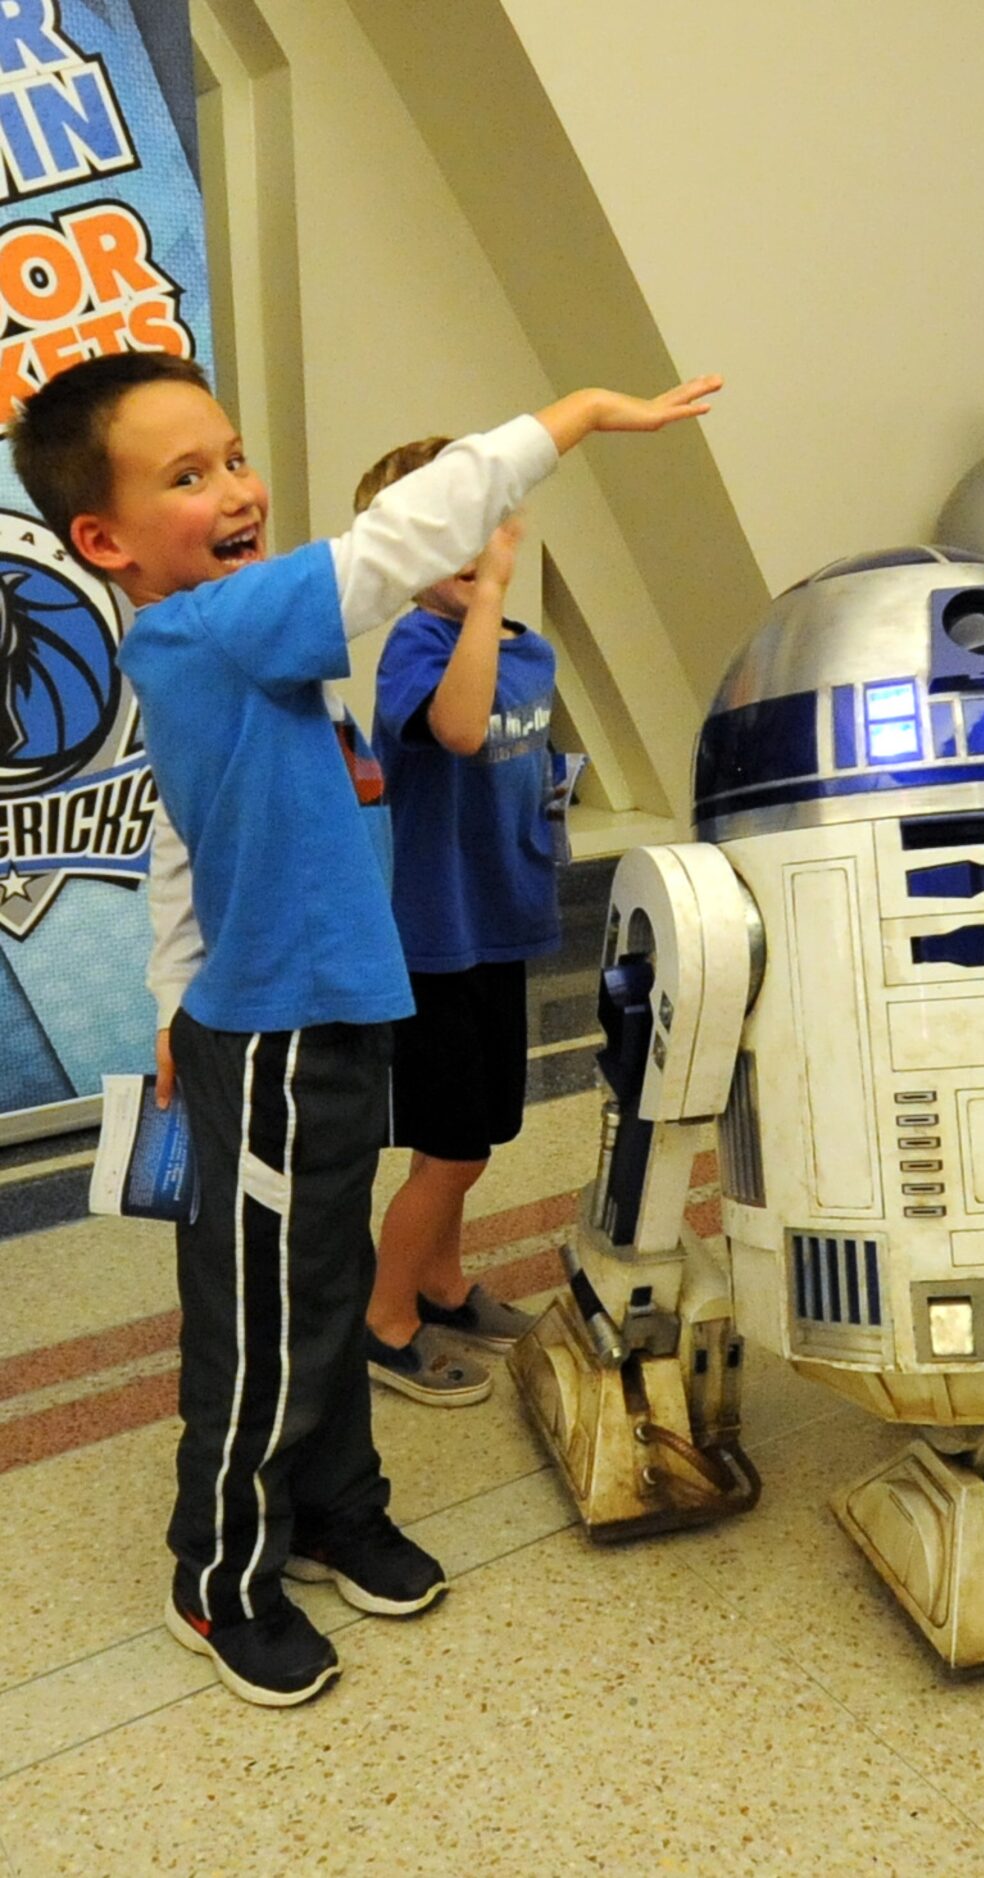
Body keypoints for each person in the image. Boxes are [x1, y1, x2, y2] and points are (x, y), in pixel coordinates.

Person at [9, 352, 721, 1708]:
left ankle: (334, 1506)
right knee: (261, 1319)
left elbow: (181, 837)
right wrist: (564, 418)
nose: (235, 488)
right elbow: (400, 537)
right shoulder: (216, 629)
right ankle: (218, 1577)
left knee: (322, 1292)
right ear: (104, 541)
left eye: (229, 457)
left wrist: (169, 991)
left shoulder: (239, 647)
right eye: (185, 475)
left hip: (320, 1022)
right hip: (273, 1041)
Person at [352, 439, 555, 1405]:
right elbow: (462, 731)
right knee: (451, 1148)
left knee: (481, 1133)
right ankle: (383, 1321)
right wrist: (478, 606)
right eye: (435, 534)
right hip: (435, 939)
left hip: (501, 926)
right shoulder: (419, 646)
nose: (465, 547)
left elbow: (521, 771)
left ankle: (439, 1282)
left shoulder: (530, 649)